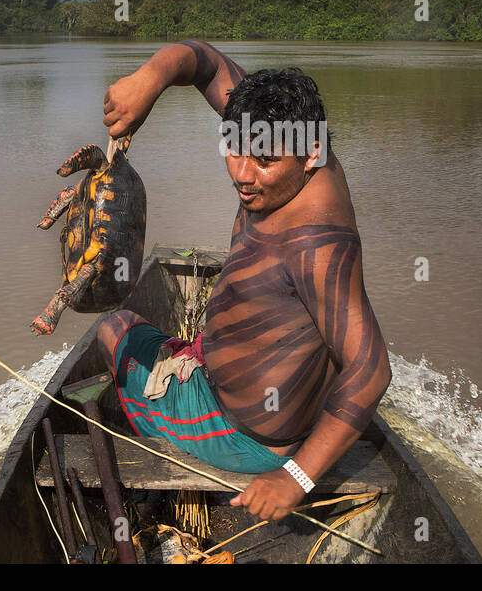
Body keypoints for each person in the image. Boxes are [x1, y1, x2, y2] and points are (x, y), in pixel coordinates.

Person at [96, 40, 391, 522]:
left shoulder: (317, 241)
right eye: (234, 150)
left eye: (264, 161)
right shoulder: (280, 132)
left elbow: (372, 369)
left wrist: (295, 477)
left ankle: (146, 442)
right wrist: (149, 80)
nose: (243, 175)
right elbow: (205, 63)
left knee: (114, 327)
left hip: (243, 435)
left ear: (311, 153)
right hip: (247, 393)